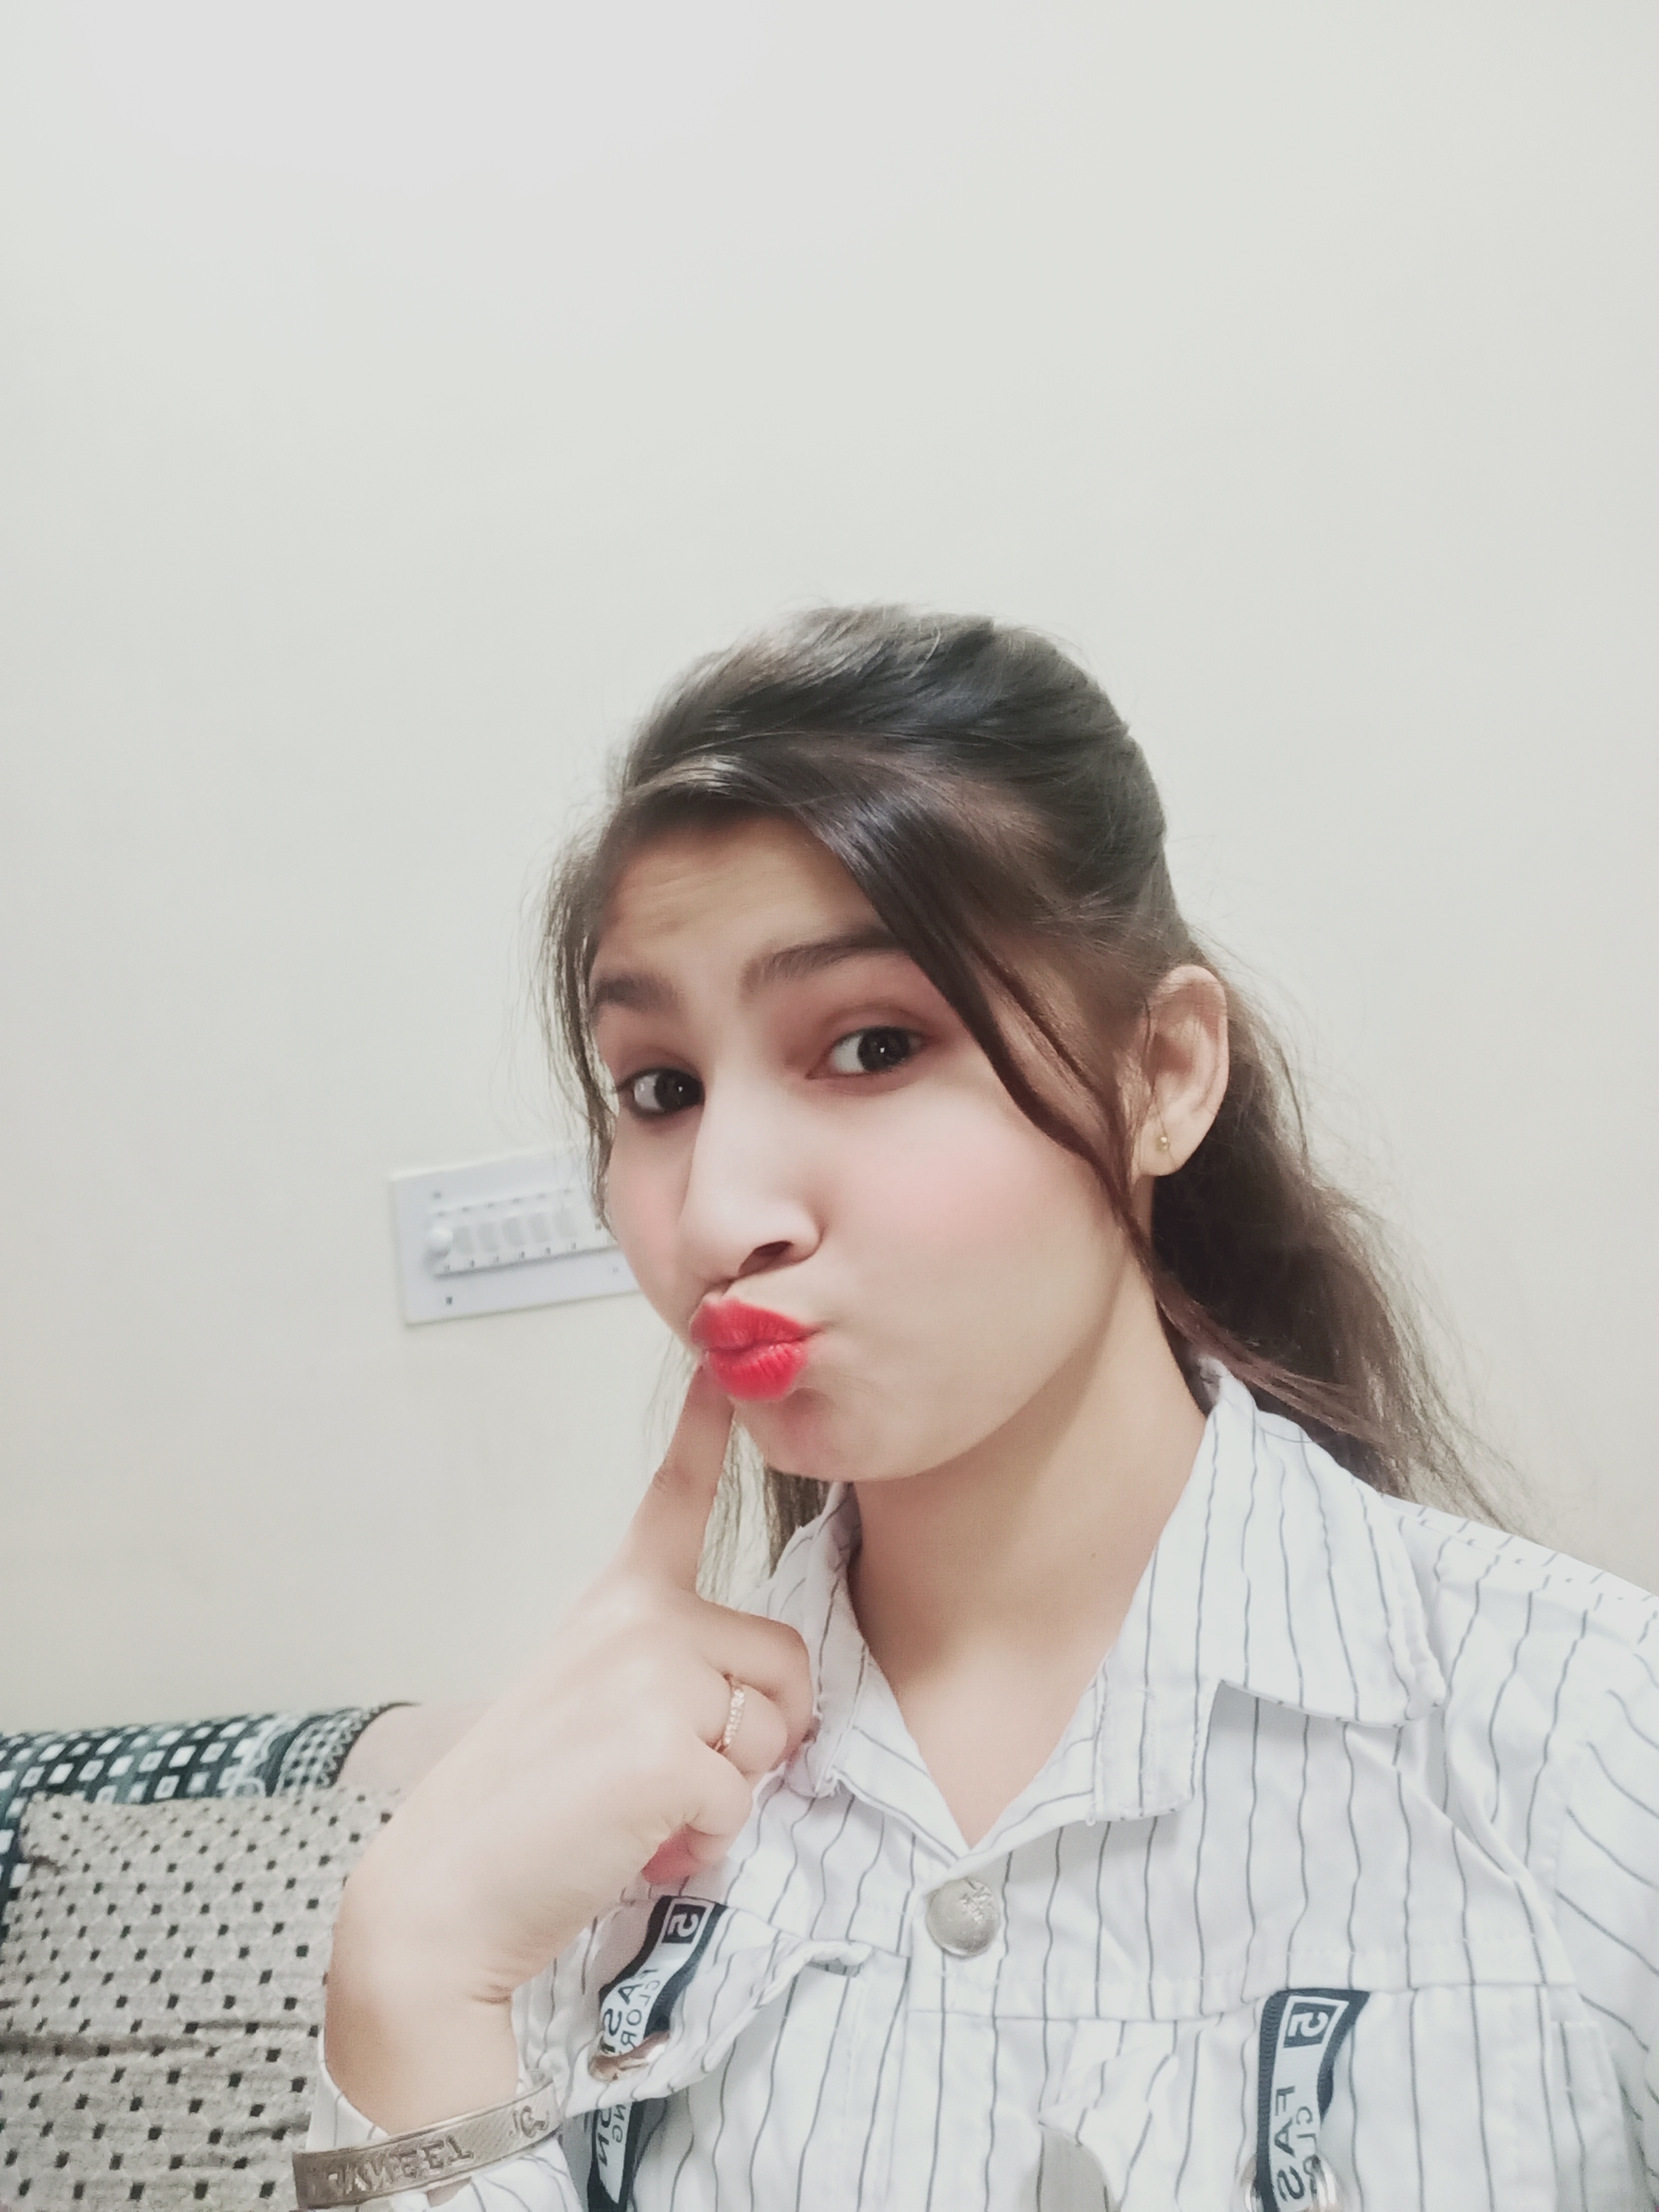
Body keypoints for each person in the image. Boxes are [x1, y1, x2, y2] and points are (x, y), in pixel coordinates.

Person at [301, 608, 1659, 2212]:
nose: (718, 1211)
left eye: (872, 1047)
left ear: (1163, 1073)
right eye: (662, 1090)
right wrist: (409, 1981)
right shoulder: (580, 1845)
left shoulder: (1586, 1747)